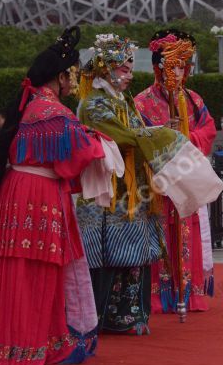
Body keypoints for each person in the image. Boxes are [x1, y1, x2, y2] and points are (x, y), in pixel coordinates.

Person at [0, 27, 107, 365]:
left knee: (16, 268)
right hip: (39, 197)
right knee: (37, 269)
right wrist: (101, 143)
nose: (73, 81)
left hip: (15, 192)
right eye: (71, 74)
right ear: (60, 76)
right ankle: (30, 345)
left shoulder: (28, 105)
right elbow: (78, 156)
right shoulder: (55, 112)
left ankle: (7, 342)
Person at [76, 33, 189, 334]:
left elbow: (137, 132)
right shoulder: (94, 105)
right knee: (108, 257)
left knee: (132, 258)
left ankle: (127, 314)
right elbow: (124, 138)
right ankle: (99, 316)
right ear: (105, 70)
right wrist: (162, 136)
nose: (129, 74)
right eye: (123, 68)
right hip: (107, 190)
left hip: (133, 190)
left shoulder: (122, 100)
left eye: (129, 68)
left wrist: (160, 131)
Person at [134, 29, 218, 313]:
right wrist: (162, 136)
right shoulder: (141, 102)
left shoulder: (192, 99)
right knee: (160, 231)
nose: (180, 72)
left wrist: (185, 137)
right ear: (159, 66)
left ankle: (188, 290)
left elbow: (208, 129)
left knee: (186, 230)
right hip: (158, 182)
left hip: (186, 176)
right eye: (174, 66)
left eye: (183, 66)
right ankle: (160, 295)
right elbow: (138, 138)